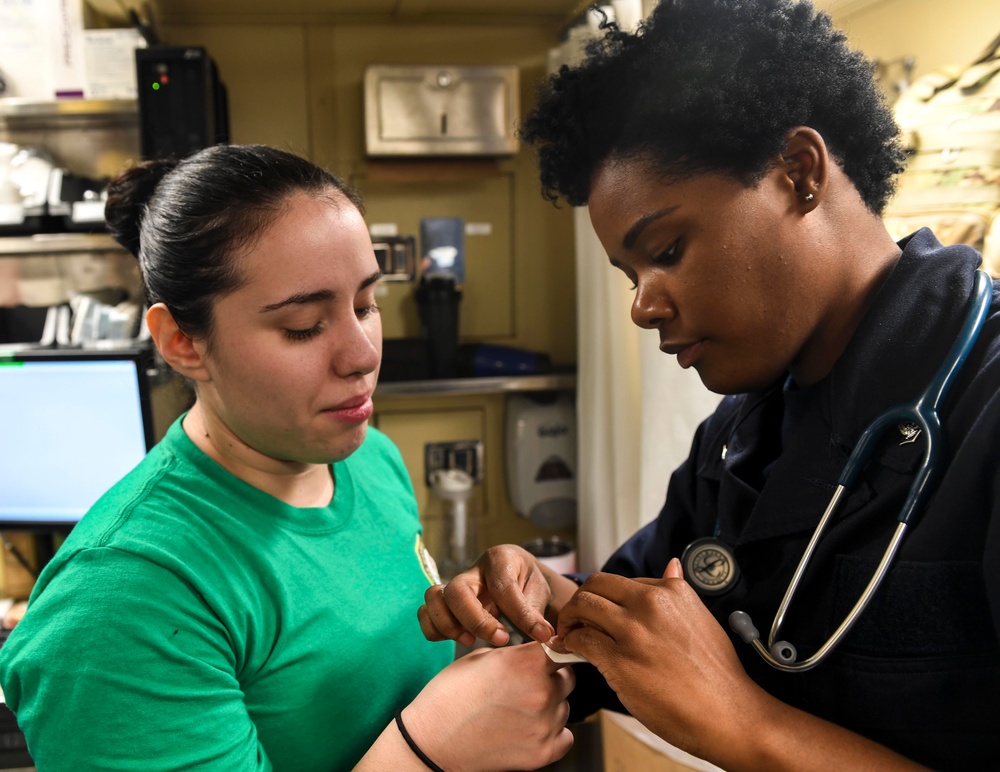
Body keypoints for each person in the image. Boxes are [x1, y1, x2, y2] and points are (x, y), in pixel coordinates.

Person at [418, 1, 1000, 769]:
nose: (642, 304)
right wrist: (546, 601)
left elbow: (725, 704)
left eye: (668, 248)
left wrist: (746, 726)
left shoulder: (982, 405)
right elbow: (636, 625)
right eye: (630, 274)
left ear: (799, 172)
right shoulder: (737, 438)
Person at [0, 144, 575, 772]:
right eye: (304, 325)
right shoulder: (122, 603)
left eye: (364, 305)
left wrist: (473, 630)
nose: (361, 355)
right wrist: (429, 750)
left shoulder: (369, 461)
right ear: (182, 342)